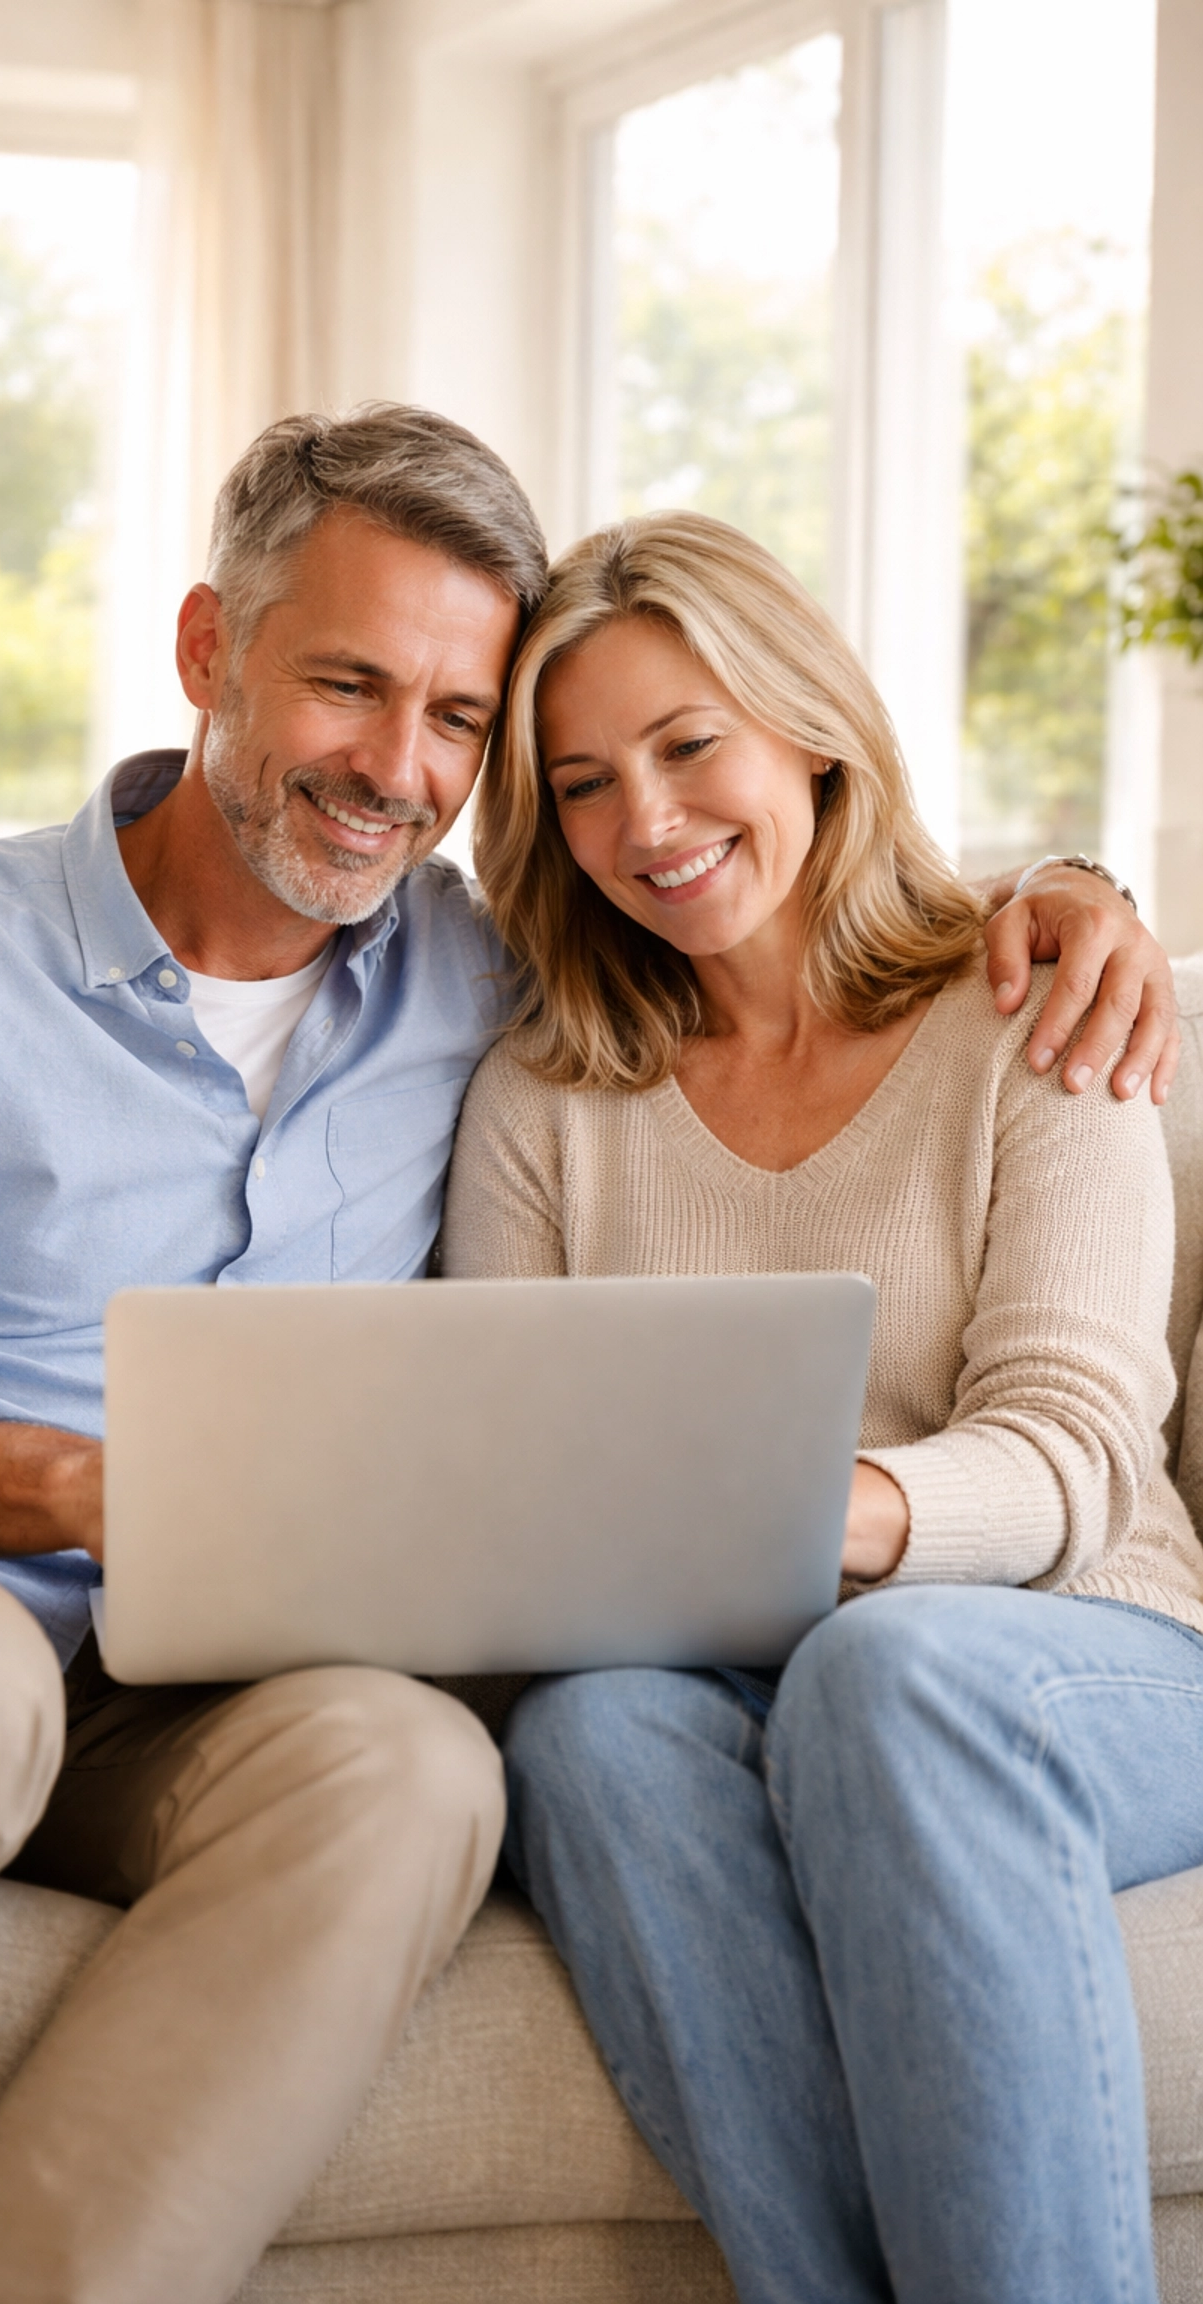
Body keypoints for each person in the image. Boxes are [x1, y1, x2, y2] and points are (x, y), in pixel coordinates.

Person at [0, 411, 1175, 2304]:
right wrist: (76, 1487)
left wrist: (1081, 891)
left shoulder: (488, 980)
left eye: (459, 721)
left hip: (221, 1677)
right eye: (349, 685)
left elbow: (781, 922)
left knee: (423, 1769)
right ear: (213, 651)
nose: (397, 770)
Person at [442, 508, 1203, 2304]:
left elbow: (1081, 1457)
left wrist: (823, 1513)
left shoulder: (1034, 1008)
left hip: (1092, 1652)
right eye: (582, 782)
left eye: (690, 745)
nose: (648, 822)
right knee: (591, 1735)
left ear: (809, 727)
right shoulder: (544, 1099)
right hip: (735, 1675)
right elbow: (509, 1468)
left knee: (890, 1665)